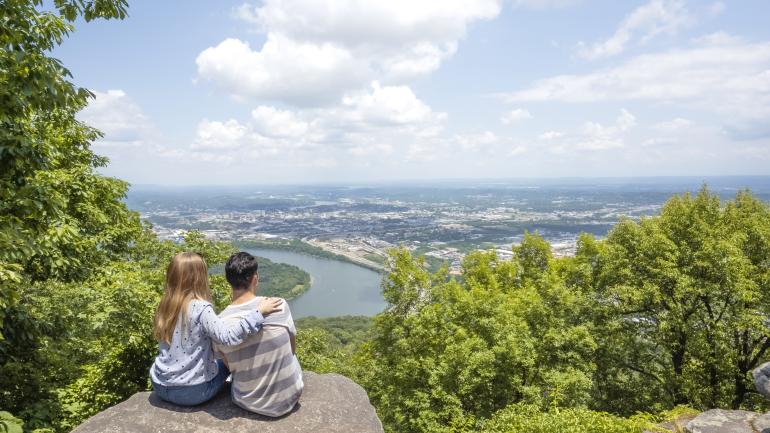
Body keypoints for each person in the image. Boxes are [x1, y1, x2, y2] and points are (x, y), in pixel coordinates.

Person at [150, 252, 282, 406]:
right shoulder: (200, 308)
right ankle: (248, 394)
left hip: (160, 384)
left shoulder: (165, 305)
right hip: (192, 392)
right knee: (227, 362)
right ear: (200, 277)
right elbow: (228, 338)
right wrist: (259, 312)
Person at [215, 251, 303, 417]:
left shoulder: (219, 324)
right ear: (255, 278)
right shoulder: (279, 305)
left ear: (228, 281)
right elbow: (292, 349)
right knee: (293, 357)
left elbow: (230, 367)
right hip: (290, 399)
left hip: (247, 402)